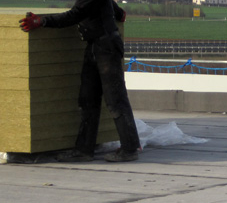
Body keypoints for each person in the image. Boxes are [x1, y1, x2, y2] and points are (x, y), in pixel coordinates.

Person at [19, 0, 141, 162]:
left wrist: (42, 21)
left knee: (115, 99)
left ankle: (130, 148)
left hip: (106, 48)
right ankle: (84, 150)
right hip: (95, 45)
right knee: (87, 98)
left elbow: (73, 16)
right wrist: (119, 13)